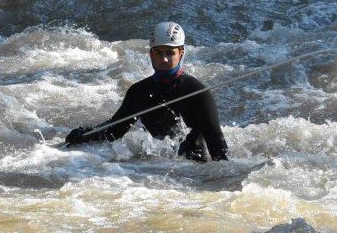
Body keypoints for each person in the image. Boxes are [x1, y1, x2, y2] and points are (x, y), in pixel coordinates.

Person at [65, 22, 229, 162]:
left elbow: (219, 149)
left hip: (191, 169)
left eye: (170, 53)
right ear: (151, 53)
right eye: (158, 52)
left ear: (181, 53)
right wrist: (85, 136)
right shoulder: (139, 92)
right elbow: (114, 131)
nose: (164, 59)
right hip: (151, 170)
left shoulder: (198, 93)